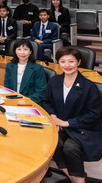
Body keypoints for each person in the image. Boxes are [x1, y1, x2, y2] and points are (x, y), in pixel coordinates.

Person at [43, 47, 102, 183]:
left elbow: (94, 114)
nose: (67, 65)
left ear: (79, 62)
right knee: (53, 142)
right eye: (63, 61)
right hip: (61, 125)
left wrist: (67, 123)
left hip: (83, 127)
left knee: (70, 148)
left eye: (71, 61)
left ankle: (80, 180)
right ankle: (74, 178)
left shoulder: (89, 87)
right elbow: (46, 101)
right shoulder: (54, 81)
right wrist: (53, 116)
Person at [4, 39, 46, 104]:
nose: (22, 52)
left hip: (30, 103)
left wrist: (25, 101)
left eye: (25, 49)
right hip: (12, 101)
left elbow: (40, 92)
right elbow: (7, 87)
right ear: (15, 51)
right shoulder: (10, 66)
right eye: (19, 49)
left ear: (30, 52)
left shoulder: (38, 68)